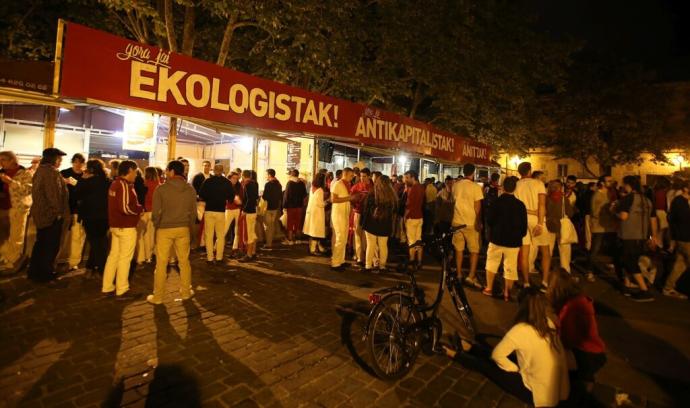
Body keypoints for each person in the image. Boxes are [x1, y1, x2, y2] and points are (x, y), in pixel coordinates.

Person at [491, 287, 570, 407]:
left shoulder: (520, 330)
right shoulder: (548, 323)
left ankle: (459, 354)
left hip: (540, 395)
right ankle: (467, 350)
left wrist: (514, 368)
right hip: (559, 391)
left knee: (493, 368)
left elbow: (496, 355)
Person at [547, 268, 606, 404]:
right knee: (585, 379)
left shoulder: (570, 308)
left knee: (578, 384)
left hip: (586, 353)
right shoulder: (579, 300)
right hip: (594, 350)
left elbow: (568, 338)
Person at [147, 160, 197, 305]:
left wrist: (157, 225)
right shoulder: (190, 189)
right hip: (183, 228)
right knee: (184, 262)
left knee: (161, 263)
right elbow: (193, 214)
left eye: (167, 170)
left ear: (172, 171)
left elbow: (155, 214)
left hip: (164, 229)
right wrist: (191, 229)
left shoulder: (161, 189)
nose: (165, 173)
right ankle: (186, 292)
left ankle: (158, 297)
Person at [612, 175, 658, 302]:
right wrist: (654, 236)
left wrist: (613, 211)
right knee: (628, 259)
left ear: (628, 185)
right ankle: (626, 285)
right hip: (642, 236)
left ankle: (644, 290)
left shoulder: (628, 199)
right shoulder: (647, 200)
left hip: (628, 235)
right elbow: (653, 219)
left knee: (630, 261)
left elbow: (623, 216)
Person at [28, 148, 69, 285]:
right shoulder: (51, 172)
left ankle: (34, 272)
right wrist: (58, 213)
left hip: (41, 215)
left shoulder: (40, 170)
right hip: (50, 216)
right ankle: (46, 275)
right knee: (50, 247)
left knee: (40, 245)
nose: (61, 161)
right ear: (54, 159)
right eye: (59, 159)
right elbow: (54, 195)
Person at [102, 160, 143, 299]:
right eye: (135, 171)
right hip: (126, 226)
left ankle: (107, 286)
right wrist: (139, 209)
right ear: (130, 170)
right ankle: (122, 289)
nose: (136, 175)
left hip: (116, 226)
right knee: (125, 258)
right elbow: (125, 208)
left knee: (113, 256)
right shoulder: (124, 185)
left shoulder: (114, 184)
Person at [483, 176, 527, 301]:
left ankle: (489, 288)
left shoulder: (496, 202)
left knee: (492, 262)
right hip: (513, 240)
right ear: (515, 188)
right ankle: (507, 292)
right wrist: (520, 235)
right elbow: (524, 225)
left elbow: (489, 220)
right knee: (510, 266)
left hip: (497, 237)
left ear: (502, 186)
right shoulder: (520, 205)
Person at [514, 162, 549, 288]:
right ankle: (544, 281)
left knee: (524, 252)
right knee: (545, 251)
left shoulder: (516, 185)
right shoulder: (538, 184)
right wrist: (540, 223)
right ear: (529, 171)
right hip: (536, 219)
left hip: (521, 220)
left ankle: (526, 282)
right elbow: (541, 204)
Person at [0, 151, 35, 272]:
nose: (1, 163)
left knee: (16, 236)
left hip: (18, 209)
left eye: (3, 160)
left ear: (12, 161)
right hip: (3, 209)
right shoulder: (2, 173)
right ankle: (6, 257)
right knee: (6, 237)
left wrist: (10, 182)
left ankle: (13, 261)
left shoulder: (25, 173)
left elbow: (27, 190)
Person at [75, 159, 110, 278]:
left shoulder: (87, 182)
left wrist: (82, 180)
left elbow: (76, 194)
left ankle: (102, 270)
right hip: (105, 217)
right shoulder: (108, 181)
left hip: (89, 216)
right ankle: (91, 268)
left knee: (95, 243)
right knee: (99, 242)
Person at [451, 163, 484, 287]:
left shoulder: (456, 185)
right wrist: (479, 222)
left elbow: (453, 200)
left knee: (458, 249)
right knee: (474, 250)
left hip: (457, 221)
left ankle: (459, 273)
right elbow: (477, 207)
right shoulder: (475, 187)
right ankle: (471, 276)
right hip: (471, 222)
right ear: (473, 173)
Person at [361, 175, 398, 272]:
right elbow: (395, 211)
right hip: (385, 224)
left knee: (370, 245)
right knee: (383, 245)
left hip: (371, 223)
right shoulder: (392, 196)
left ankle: (368, 266)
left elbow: (366, 209)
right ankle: (382, 266)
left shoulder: (372, 194)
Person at [199, 164, 233, 264]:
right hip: (221, 211)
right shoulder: (227, 182)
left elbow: (201, 195)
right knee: (220, 236)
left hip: (209, 210)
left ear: (214, 171)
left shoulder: (208, 181)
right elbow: (231, 197)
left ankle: (209, 258)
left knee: (209, 236)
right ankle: (219, 257)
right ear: (222, 171)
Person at [59, 153, 86, 271]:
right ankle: (56, 259)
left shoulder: (85, 175)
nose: (78, 164)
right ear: (72, 162)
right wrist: (63, 182)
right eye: (76, 161)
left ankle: (74, 261)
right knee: (61, 236)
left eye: (80, 162)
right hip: (65, 208)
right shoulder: (64, 173)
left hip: (79, 210)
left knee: (77, 236)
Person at [588, 176, 617, 281]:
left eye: (611, 181)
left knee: (611, 248)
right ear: (602, 183)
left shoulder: (612, 194)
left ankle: (611, 266)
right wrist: (608, 210)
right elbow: (594, 212)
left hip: (611, 226)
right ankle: (590, 271)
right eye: (609, 181)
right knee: (595, 249)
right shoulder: (597, 195)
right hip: (599, 226)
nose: (611, 182)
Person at [664, 179, 690, 299]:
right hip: (685, 237)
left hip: (682, 237)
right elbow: (682, 219)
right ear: (686, 189)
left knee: (680, 265)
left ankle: (668, 288)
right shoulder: (680, 201)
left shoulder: (683, 201)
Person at [545, 180, 576, 273]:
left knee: (548, 249)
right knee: (564, 249)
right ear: (559, 187)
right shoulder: (564, 199)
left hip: (549, 225)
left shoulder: (546, 198)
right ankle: (565, 268)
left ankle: (546, 267)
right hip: (562, 225)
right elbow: (570, 213)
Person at [330, 167, 354, 271]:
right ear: (345, 174)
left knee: (344, 238)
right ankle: (335, 263)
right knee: (340, 238)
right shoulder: (338, 184)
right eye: (351, 175)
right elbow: (333, 199)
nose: (352, 177)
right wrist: (349, 198)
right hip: (338, 215)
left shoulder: (347, 184)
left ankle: (341, 260)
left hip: (345, 214)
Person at [136, 167, 161, 265]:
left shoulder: (143, 183)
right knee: (151, 236)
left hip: (144, 212)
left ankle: (140, 257)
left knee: (140, 235)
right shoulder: (159, 185)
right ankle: (149, 257)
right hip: (154, 212)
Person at [350, 168, 372, 266]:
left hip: (368, 215)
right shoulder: (356, 187)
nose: (362, 178)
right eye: (361, 176)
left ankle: (367, 257)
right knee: (358, 235)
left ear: (369, 176)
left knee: (367, 237)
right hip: (358, 213)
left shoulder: (373, 188)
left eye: (364, 176)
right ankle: (359, 257)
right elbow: (350, 199)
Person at [404, 170, 425, 269]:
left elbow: (408, 205)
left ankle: (412, 260)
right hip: (419, 216)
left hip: (412, 217)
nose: (405, 180)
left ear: (413, 178)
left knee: (411, 241)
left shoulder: (413, 189)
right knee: (418, 240)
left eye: (407, 178)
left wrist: (405, 217)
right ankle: (419, 261)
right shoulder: (421, 187)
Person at [303, 172, 327, 255]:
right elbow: (320, 204)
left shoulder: (312, 188)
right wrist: (327, 201)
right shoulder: (320, 190)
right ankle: (313, 250)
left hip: (311, 212)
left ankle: (314, 248)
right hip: (317, 213)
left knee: (312, 231)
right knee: (316, 232)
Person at [239, 169, 259, 262]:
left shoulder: (247, 184)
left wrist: (244, 210)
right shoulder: (255, 183)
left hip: (249, 212)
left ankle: (249, 254)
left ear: (243, 176)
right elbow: (254, 198)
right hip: (253, 211)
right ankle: (254, 252)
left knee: (249, 234)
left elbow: (249, 199)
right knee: (252, 232)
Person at [283, 169, 307, 245]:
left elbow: (286, 196)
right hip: (299, 206)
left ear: (292, 175)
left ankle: (290, 239)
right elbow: (305, 195)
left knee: (290, 222)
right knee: (298, 222)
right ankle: (297, 238)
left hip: (291, 206)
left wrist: (284, 206)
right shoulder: (302, 184)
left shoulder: (289, 183)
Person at [262, 168, 282, 250]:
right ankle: (270, 242)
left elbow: (265, 197)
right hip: (275, 208)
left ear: (269, 175)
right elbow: (280, 196)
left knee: (268, 226)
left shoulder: (268, 184)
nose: (265, 176)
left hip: (268, 208)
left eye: (266, 174)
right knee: (272, 225)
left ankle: (268, 244)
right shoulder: (279, 184)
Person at [225, 172, 242, 258]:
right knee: (224, 229)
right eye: (233, 178)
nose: (235, 180)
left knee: (237, 230)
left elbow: (241, 197)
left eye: (236, 178)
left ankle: (235, 249)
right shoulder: (226, 185)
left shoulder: (239, 186)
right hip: (229, 208)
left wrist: (239, 200)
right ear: (230, 178)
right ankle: (216, 248)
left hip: (237, 209)